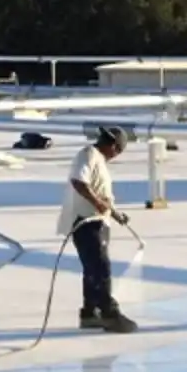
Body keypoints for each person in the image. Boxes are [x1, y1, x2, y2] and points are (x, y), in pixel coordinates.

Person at [56, 125, 137, 333]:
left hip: (97, 221)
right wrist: (97, 203)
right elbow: (79, 182)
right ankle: (109, 313)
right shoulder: (88, 155)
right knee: (101, 268)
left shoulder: (97, 160)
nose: (115, 156)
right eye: (117, 151)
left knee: (92, 268)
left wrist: (115, 214)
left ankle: (91, 313)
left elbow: (100, 191)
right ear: (113, 146)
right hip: (86, 222)